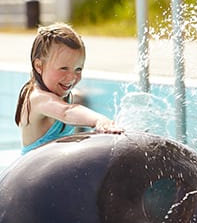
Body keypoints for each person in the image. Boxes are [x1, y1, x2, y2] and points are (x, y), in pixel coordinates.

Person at [15, 23, 123, 155]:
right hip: (33, 173)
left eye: (78, 69)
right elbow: (66, 112)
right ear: (39, 66)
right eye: (63, 68)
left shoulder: (60, 94)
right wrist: (99, 120)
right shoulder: (37, 98)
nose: (72, 77)